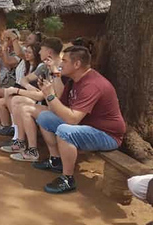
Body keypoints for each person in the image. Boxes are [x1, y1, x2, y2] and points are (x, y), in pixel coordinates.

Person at [35, 46, 126, 194]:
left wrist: (50, 96)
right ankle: (56, 160)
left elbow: (72, 119)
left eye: (64, 61)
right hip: (86, 125)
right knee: (44, 117)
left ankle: (67, 179)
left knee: (64, 131)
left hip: (107, 135)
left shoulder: (92, 84)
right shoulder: (74, 80)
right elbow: (61, 107)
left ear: (77, 64)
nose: (61, 64)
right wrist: (51, 88)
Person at [0, 37, 64, 160]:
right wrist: (29, 87)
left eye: (42, 50)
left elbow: (50, 95)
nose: (39, 52)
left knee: (23, 106)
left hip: (57, 108)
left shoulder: (60, 69)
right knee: (16, 101)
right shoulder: (45, 66)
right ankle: (20, 141)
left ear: (49, 52)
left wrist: (18, 90)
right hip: (47, 103)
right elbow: (25, 79)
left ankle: (31, 149)